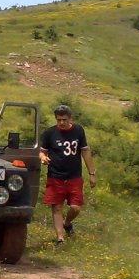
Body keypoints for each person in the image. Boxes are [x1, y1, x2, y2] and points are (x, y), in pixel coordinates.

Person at [39, 104, 96, 248]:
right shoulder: (49, 133)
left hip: (74, 176)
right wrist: (43, 158)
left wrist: (92, 173)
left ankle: (67, 223)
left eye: (64, 119)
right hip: (55, 176)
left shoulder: (78, 130)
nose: (61, 122)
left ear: (70, 118)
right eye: (59, 120)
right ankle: (60, 238)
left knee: (75, 207)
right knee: (57, 208)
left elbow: (85, 151)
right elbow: (42, 151)